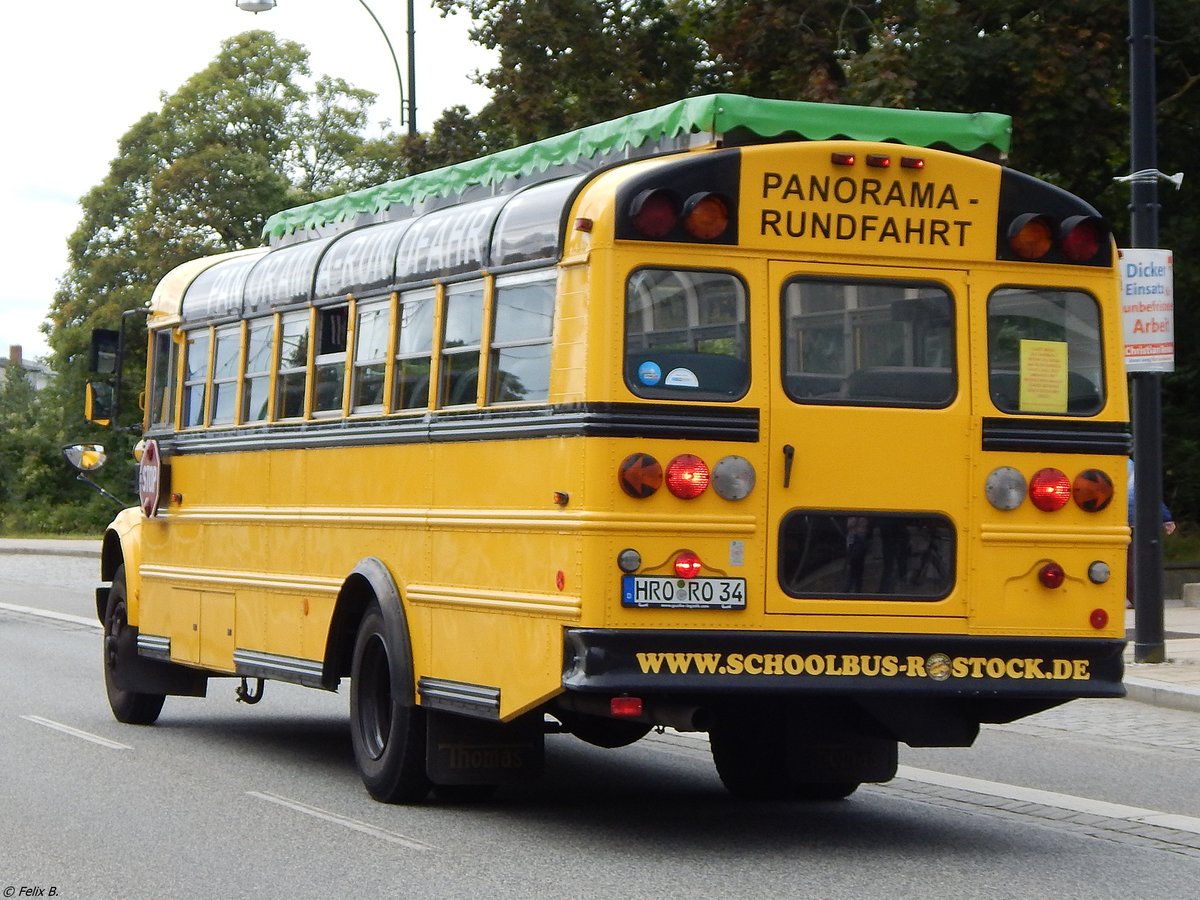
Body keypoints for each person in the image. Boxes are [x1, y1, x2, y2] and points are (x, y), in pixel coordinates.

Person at [1126, 457, 1176, 608]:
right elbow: (1150, 495)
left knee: (1127, 560)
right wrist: (1166, 518)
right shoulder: (1134, 468)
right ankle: (1137, 597)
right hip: (1137, 520)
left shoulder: (1112, 464)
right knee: (1136, 559)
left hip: (1118, 520)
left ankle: (1130, 597)